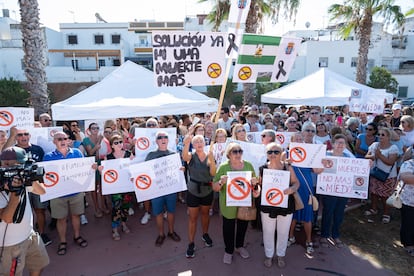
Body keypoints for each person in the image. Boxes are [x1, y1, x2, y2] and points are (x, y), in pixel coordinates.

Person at [0, 147, 49, 276]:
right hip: (9, 245)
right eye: (20, 164)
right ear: (6, 164)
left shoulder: (21, 177)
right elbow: (7, 218)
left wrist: (29, 179)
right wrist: (15, 192)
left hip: (29, 234)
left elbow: (42, 191)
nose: (24, 167)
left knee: (39, 263)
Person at [212, 143, 260, 265]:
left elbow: (255, 187)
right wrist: (221, 182)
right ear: (229, 155)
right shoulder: (223, 167)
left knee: (243, 226)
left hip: (245, 203)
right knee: (228, 228)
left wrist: (255, 184)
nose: (238, 154)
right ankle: (228, 250)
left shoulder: (248, 165)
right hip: (229, 204)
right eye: (235, 151)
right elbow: (215, 187)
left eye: (240, 151)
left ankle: (239, 246)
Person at [43, 131, 89, 255]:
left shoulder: (77, 153)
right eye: (59, 139)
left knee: (76, 215)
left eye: (65, 138)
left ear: (69, 140)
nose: (62, 141)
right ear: (54, 141)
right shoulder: (48, 157)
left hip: (75, 192)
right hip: (58, 194)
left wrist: (92, 167)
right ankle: (63, 241)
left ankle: (77, 236)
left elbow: (84, 168)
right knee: (61, 218)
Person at [4, 127, 51, 246]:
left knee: (39, 209)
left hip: (32, 183)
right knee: (21, 209)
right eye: (19, 135)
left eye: (26, 134)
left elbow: (45, 166)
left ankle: (41, 233)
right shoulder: (12, 151)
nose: (23, 137)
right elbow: (4, 156)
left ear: (30, 135)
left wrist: (34, 178)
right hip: (17, 185)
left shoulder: (38, 149)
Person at [259, 142, 299, 268]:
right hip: (268, 205)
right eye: (270, 152)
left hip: (285, 204)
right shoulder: (262, 168)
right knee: (268, 231)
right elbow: (259, 186)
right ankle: (269, 255)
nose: (273, 154)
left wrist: (292, 189)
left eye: (276, 152)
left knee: (283, 232)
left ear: (281, 153)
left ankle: (281, 254)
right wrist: (255, 186)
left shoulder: (288, 167)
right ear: (266, 154)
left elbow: (296, 183)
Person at [288, 121, 323, 255]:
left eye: (300, 139)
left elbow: (317, 170)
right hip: (293, 188)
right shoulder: (287, 154)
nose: (298, 140)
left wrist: (324, 164)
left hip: (307, 187)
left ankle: (309, 241)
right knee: (292, 215)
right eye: (296, 139)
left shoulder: (309, 153)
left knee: (307, 217)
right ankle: (290, 237)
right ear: (292, 141)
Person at [182, 134, 216, 258]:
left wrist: (212, 161)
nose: (199, 143)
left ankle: (205, 234)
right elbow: (184, 156)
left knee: (206, 214)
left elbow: (213, 173)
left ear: (205, 143)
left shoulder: (210, 156)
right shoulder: (191, 156)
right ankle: (191, 243)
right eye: (196, 142)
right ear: (193, 145)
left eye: (201, 141)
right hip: (193, 191)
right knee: (193, 218)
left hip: (207, 190)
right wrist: (186, 143)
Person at [146, 131, 181, 247]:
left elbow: (178, 171)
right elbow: (145, 171)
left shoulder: (173, 154)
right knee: (158, 213)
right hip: (156, 190)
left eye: (165, 137)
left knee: (171, 212)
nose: (163, 139)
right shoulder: (150, 155)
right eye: (160, 137)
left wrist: (182, 170)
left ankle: (171, 232)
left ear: (168, 140)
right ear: (156, 141)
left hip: (170, 188)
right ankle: (161, 234)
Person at [319, 134, 354, 248]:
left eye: (342, 143)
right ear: (333, 144)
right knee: (328, 212)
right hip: (329, 190)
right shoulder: (325, 155)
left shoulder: (349, 157)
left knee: (339, 213)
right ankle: (324, 235)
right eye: (338, 142)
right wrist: (321, 163)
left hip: (343, 190)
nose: (340, 145)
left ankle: (335, 235)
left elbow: (359, 168)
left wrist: (368, 163)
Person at [365, 127, 399, 223]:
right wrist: (374, 156)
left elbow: (390, 162)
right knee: (374, 193)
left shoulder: (393, 148)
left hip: (388, 176)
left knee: (385, 196)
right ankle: (374, 209)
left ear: (388, 137)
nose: (380, 136)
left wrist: (380, 156)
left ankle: (386, 213)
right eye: (379, 134)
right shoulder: (374, 145)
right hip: (375, 173)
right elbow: (367, 156)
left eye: (383, 135)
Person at [104, 135, 133, 241]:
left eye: (120, 141)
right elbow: (106, 173)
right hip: (115, 188)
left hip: (127, 186)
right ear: (111, 145)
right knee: (116, 208)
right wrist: (100, 169)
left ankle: (124, 223)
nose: (119, 144)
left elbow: (134, 168)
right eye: (116, 143)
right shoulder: (109, 157)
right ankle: (115, 228)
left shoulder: (129, 154)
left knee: (125, 207)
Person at [83, 122, 108, 218]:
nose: (95, 130)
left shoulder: (102, 138)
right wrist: (98, 143)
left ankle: (103, 206)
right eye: (93, 128)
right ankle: (96, 208)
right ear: (89, 130)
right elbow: (91, 152)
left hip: (101, 163)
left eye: (97, 128)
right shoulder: (86, 140)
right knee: (93, 188)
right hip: (91, 165)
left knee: (102, 187)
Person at [398, 158, 414, 257]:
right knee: (409, 224)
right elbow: (406, 178)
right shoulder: (409, 163)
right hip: (409, 202)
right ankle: (409, 244)